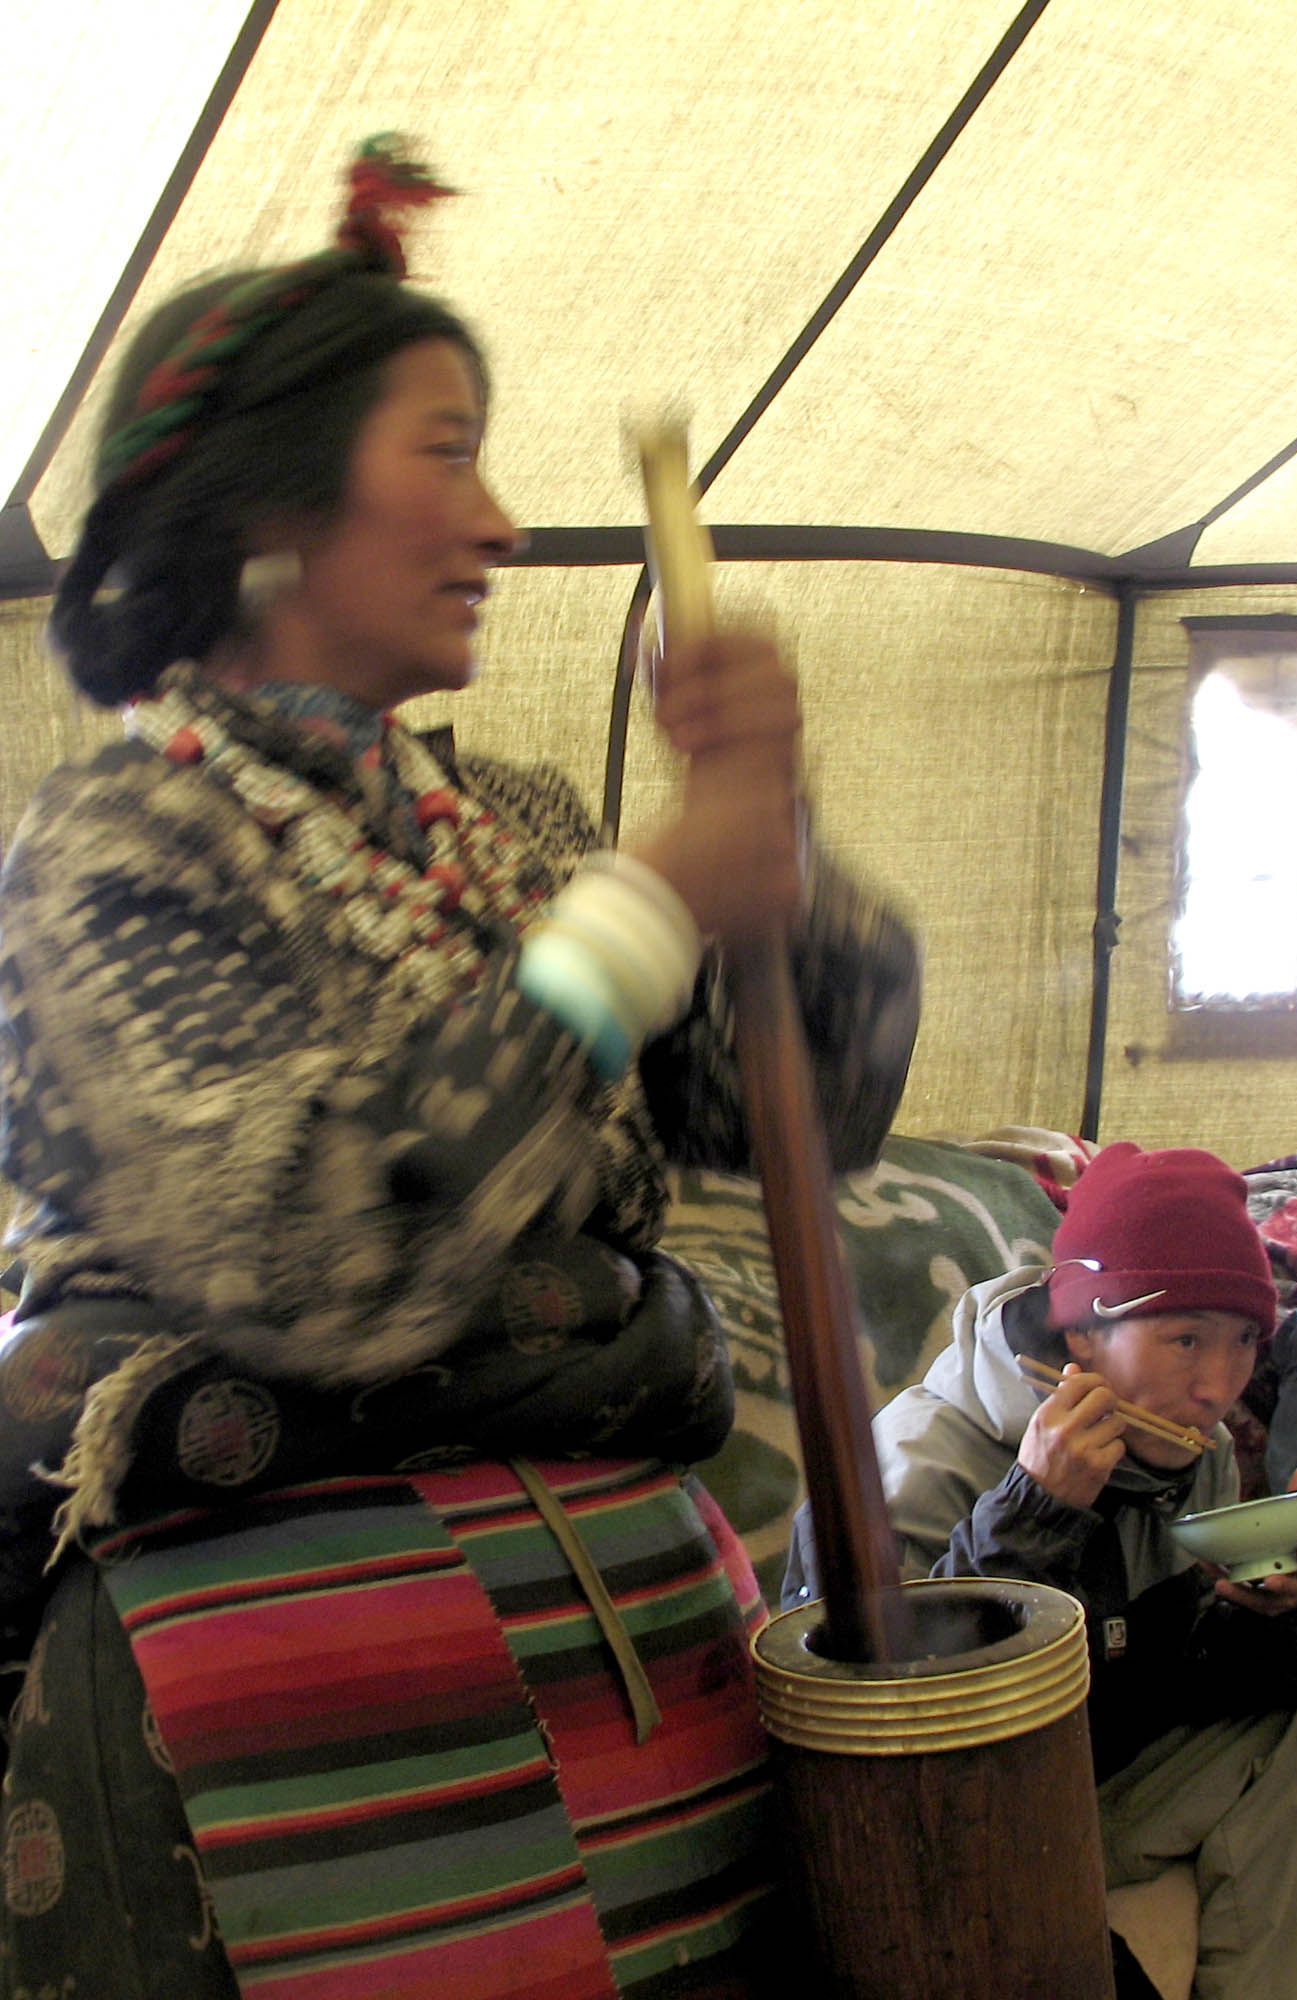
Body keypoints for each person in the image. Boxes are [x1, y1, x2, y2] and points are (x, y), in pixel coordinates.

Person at [0, 139, 920, 1998]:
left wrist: (772, 840)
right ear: (264, 498)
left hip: (653, 1660)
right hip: (295, 1733)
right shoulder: (115, 846)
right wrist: (652, 900)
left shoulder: (501, 823)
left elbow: (782, 1117)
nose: (499, 523)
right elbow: (318, 1247)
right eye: (442, 452)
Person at [784, 1140, 1297, 1999]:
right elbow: (882, 1743)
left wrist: (1279, 1616)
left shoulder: (1199, 1454)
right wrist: (1033, 1514)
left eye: (1241, 1343)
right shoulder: (901, 1470)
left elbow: (1186, 1681)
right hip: (957, 1822)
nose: (1216, 1387)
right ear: (1081, 1327)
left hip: (1097, 1773)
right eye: (1184, 1338)